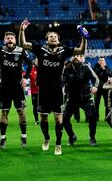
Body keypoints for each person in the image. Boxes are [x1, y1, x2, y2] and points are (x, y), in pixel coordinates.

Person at [19, 19, 87, 155]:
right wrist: (21, 31)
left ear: (58, 39)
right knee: (43, 118)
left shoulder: (64, 50)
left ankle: (58, 144)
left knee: (58, 119)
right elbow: (23, 44)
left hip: (57, 90)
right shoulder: (40, 49)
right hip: (43, 89)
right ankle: (46, 138)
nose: (53, 38)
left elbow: (81, 50)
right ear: (47, 40)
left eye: (55, 36)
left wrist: (84, 37)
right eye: (51, 36)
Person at [0, 31, 32, 149]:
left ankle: (23, 136)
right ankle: (2, 138)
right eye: (7, 38)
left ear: (15, 40)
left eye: (11, 38)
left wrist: (26, 78)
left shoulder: (20, 51)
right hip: (4, 88)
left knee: (21, 112)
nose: (9, 40)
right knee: (4, 112)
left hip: (17, 87)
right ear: (4, 40)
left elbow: (30, 63)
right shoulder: (1, 51)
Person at [62, 55, 99, 146]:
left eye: (77, 56)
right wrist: (63, 90)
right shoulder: (66, 68)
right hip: (72, 99)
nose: (75, 57)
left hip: (86, 98)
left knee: (92, 117)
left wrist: (95, 86)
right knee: (64, 119)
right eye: (73, 55)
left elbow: (95, 78)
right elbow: (62, 81)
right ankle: (72, 136)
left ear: (81, 57)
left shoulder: (86, 67)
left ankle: (92, 137)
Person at [93, 56, 112, 121]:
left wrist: (104, 69)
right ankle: (96, 117)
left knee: (107, 104)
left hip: (105, 88)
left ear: (105, 61)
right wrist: (101, 69)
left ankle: (107, 117)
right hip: (98, 88)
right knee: (96, 104)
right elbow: (95, 75)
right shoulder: (95, 67)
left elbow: (110, 74)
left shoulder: (107, 68)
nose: (102, 62)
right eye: (100, 60)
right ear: (98, 61)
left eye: (103, 60)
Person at [30, 58, 39, 125]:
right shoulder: (31, 69)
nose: (38, 62)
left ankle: (43, 119)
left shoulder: (43, 69)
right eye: (36, 61)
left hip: (43, 91)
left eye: (39, 61)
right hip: (34, 92)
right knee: (35, 106)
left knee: (44, 106)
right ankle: (36, 120)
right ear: (34, 62)